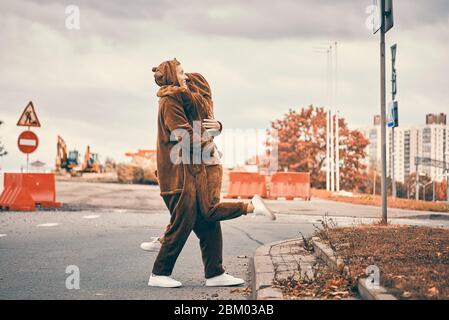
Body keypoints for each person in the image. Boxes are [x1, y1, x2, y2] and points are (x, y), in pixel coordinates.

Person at [147, 58, 274, 288]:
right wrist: (210, 147)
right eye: (181, 72)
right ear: (172, 76)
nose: (186, 76)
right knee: (183, 222)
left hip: (191, 170)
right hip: (178, 175)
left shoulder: (183, 96)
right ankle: (159, 273)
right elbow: (184, 136)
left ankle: (215, 273)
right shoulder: (169, 101)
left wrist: (217, 129)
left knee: (207, 223)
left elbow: (202, 117)